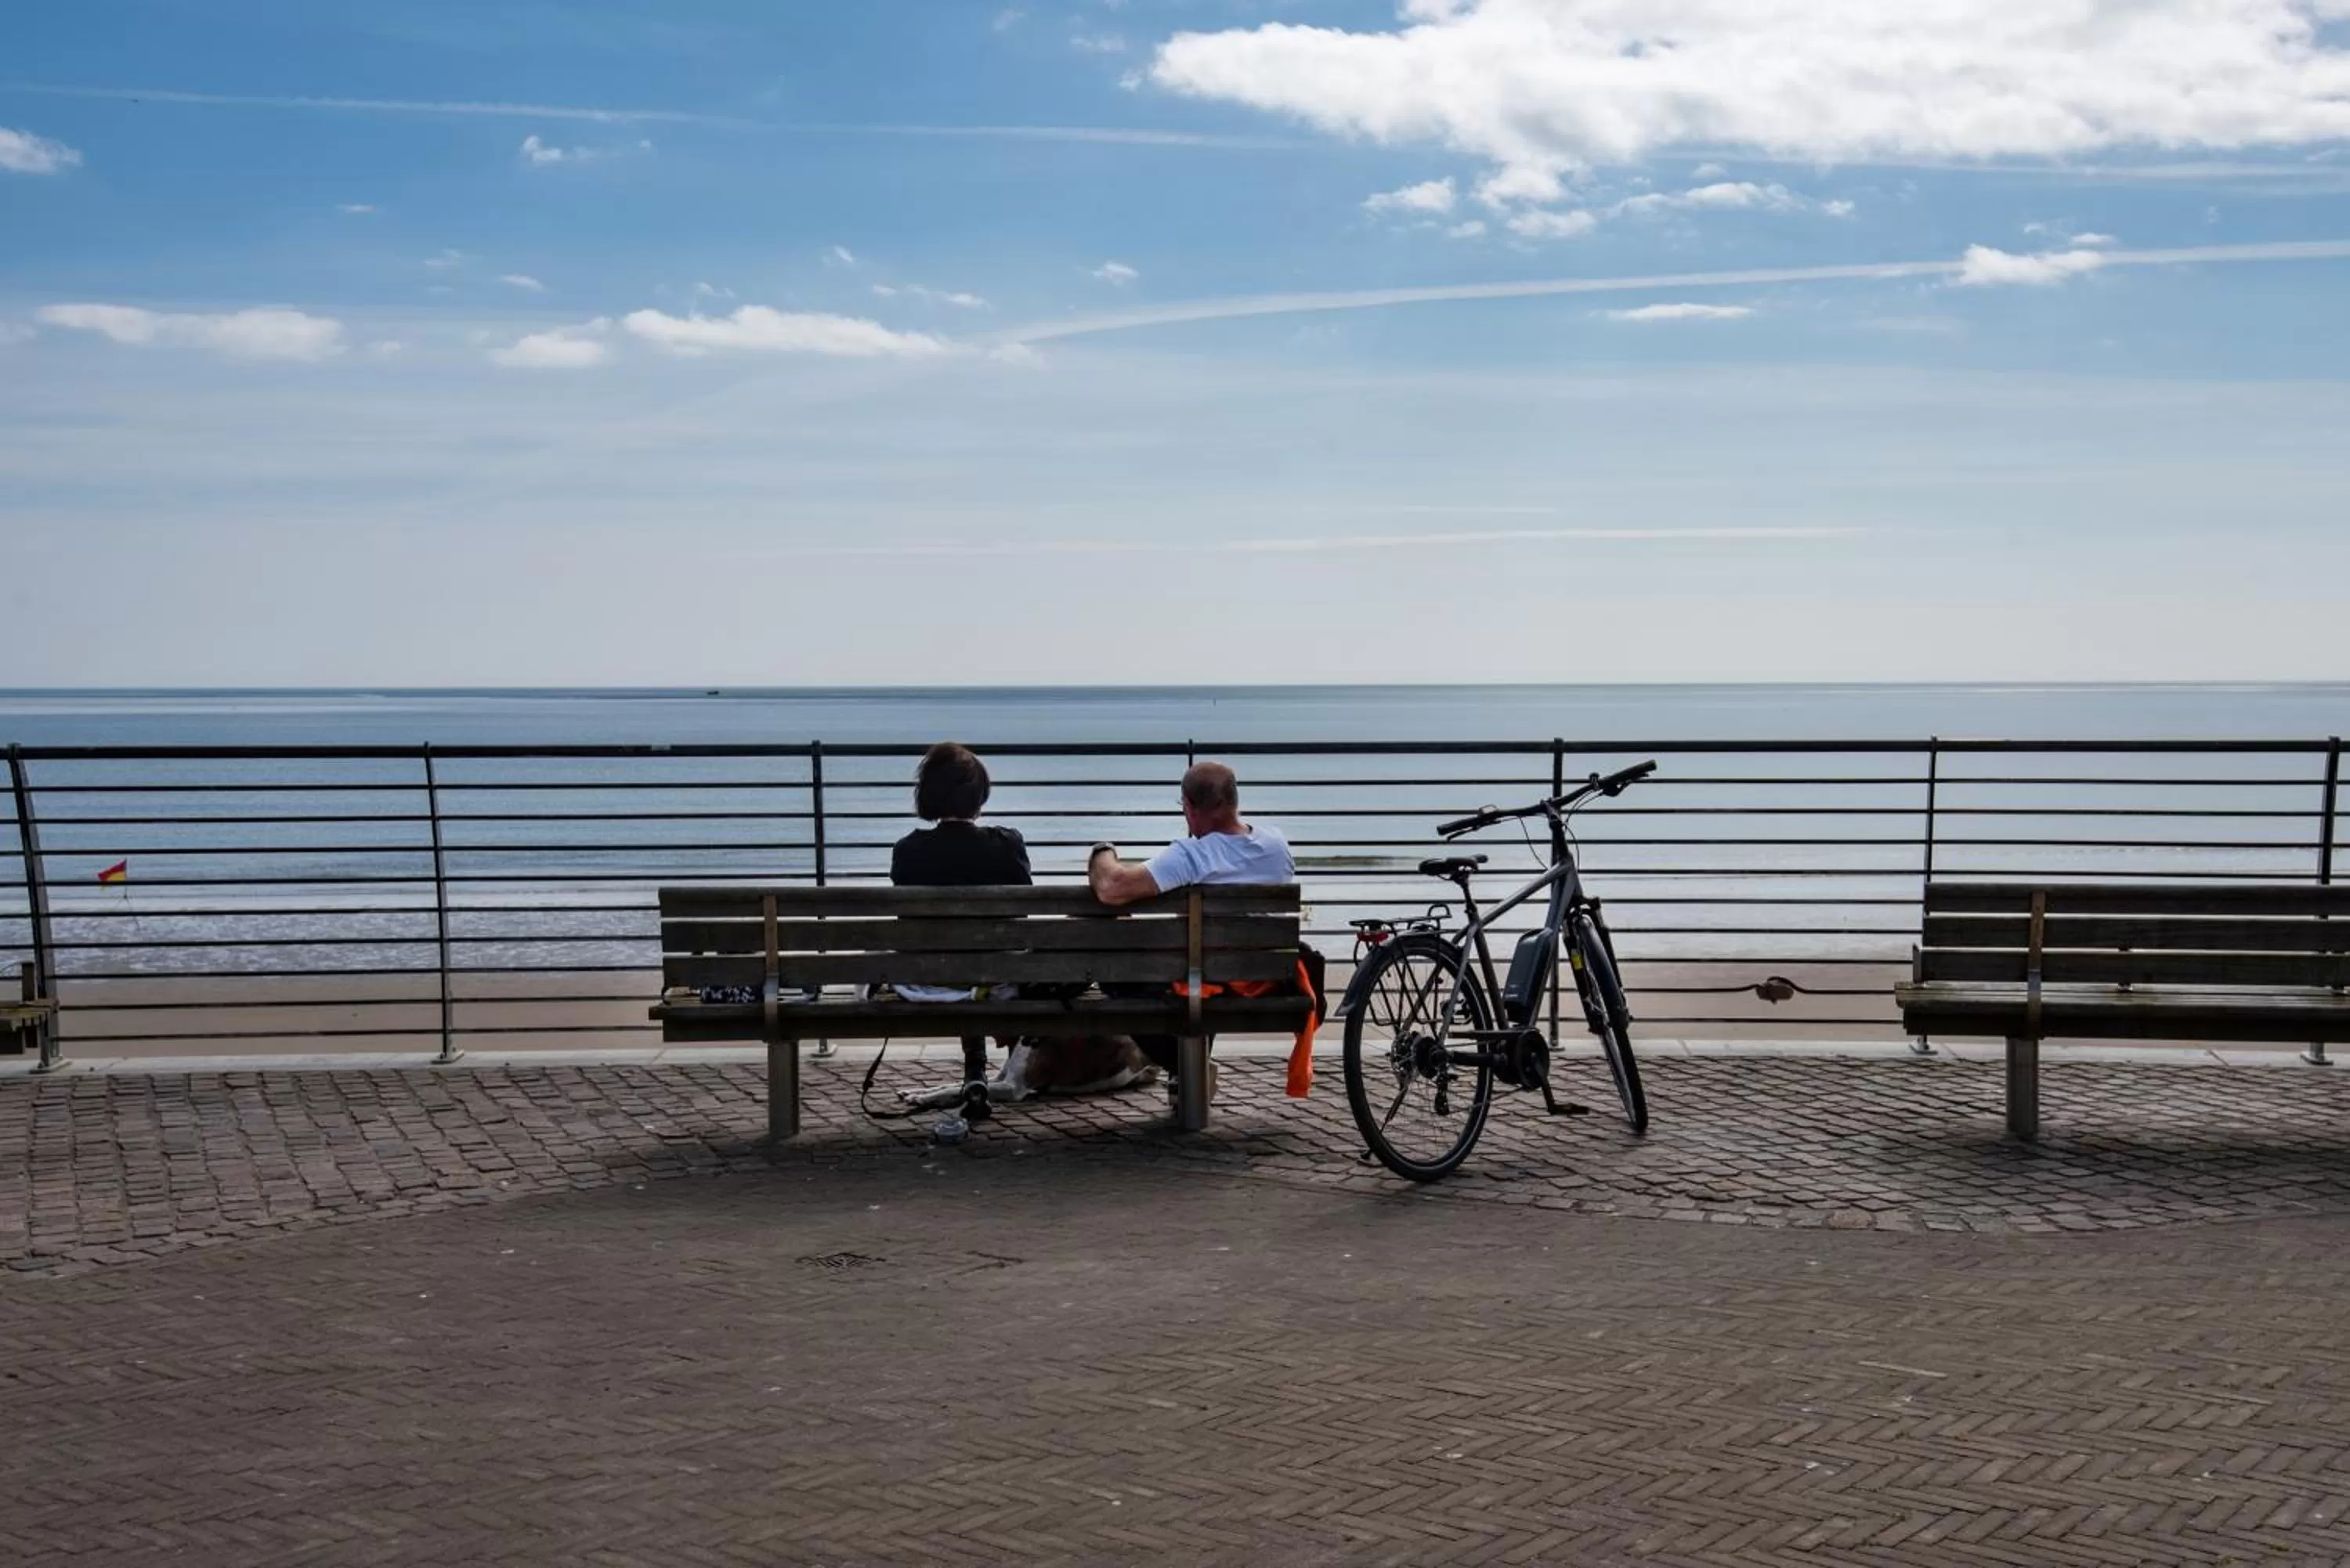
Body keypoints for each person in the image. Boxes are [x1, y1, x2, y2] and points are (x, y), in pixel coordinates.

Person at [1087, 761, 1321, 1098]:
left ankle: (1184, 1067)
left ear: (1189, 808)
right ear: (1234, 801)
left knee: (1119, 976)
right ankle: (1187, 1071)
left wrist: (1102, 853)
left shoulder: (1192, 856)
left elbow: (1112, 888)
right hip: (1261, 978)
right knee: (1206, 968)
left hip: (1203, 981)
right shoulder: (1276, 844)